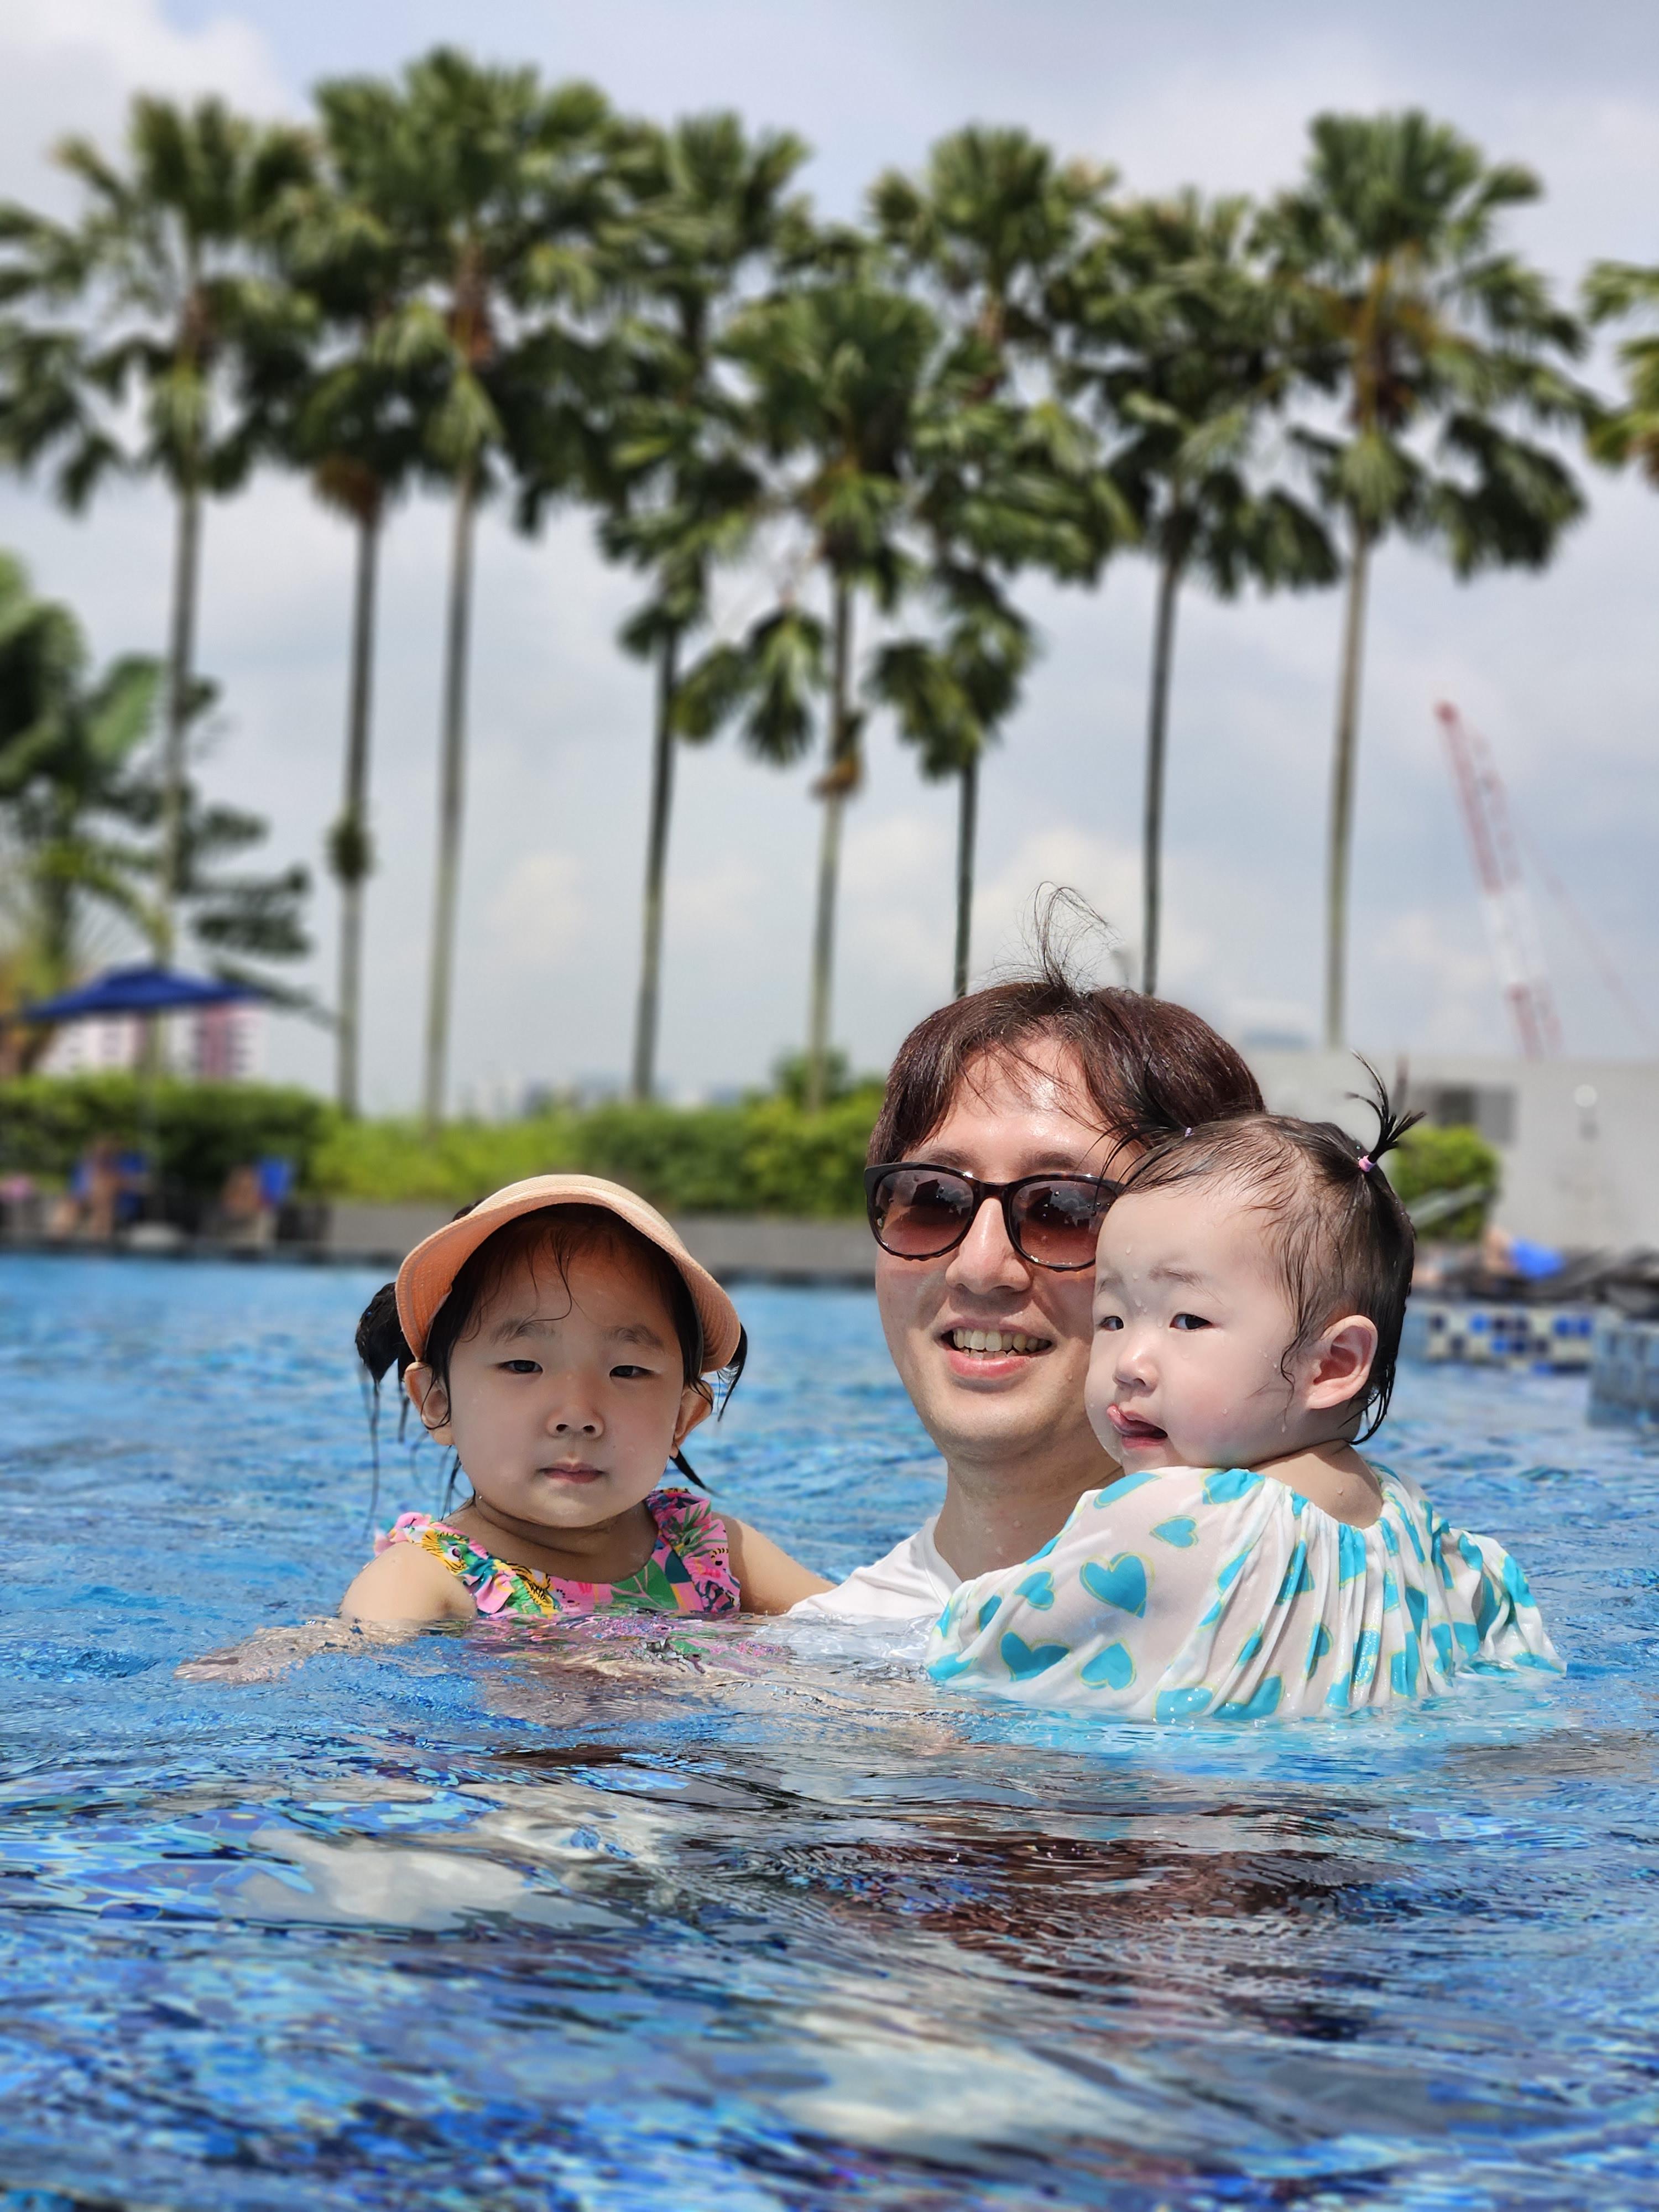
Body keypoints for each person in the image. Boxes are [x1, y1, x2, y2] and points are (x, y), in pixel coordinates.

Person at [924, 1086, 1562, 1715]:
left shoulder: (1165, 1521)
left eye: (1188, 1321)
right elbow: (1520, 1666)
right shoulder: (1438, 1545)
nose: (1128, 1364)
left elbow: (971, 1647)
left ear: (1333, 1364)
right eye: (1112, 1318)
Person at [790, 942, 1265, 1622]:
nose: (980, 1267)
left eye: (1065, 1208)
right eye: (933, 1198)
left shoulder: (1336, 1599)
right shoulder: (829, 1640)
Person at [341, 1173, 829, 1625]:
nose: (577, 1416)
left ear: (683, 1418)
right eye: (523, 1366)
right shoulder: (422, 1583)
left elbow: (858, 1635)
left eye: (628, 1371)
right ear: (436, 1402)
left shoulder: (710, 1551)